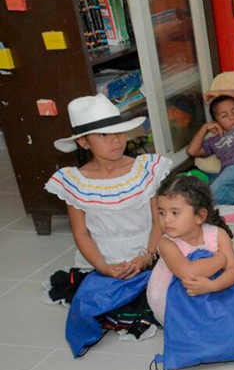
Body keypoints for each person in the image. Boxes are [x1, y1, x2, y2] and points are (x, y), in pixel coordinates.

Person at [45, 94, 172, 352]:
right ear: (83, 142)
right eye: (103, 135)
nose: (115, 140)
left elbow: (160, 220)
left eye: (119, 132)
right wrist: (102, 266)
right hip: (105, 259)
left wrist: (147, 256)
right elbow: (81, 234)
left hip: (151, 251)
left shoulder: (145, 169)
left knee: (174, 294)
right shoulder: (75, 181)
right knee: (100, 301)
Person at [146, 175, 234, 326]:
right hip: (182, 292)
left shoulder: (218, 234)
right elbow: (188, 273)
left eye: (175, 213)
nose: (166, 220)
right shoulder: (167, 243)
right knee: (193, 323)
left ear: (199, 216)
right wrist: (220, 259)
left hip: (220, 285)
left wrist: (214, 286)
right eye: (162, 213)